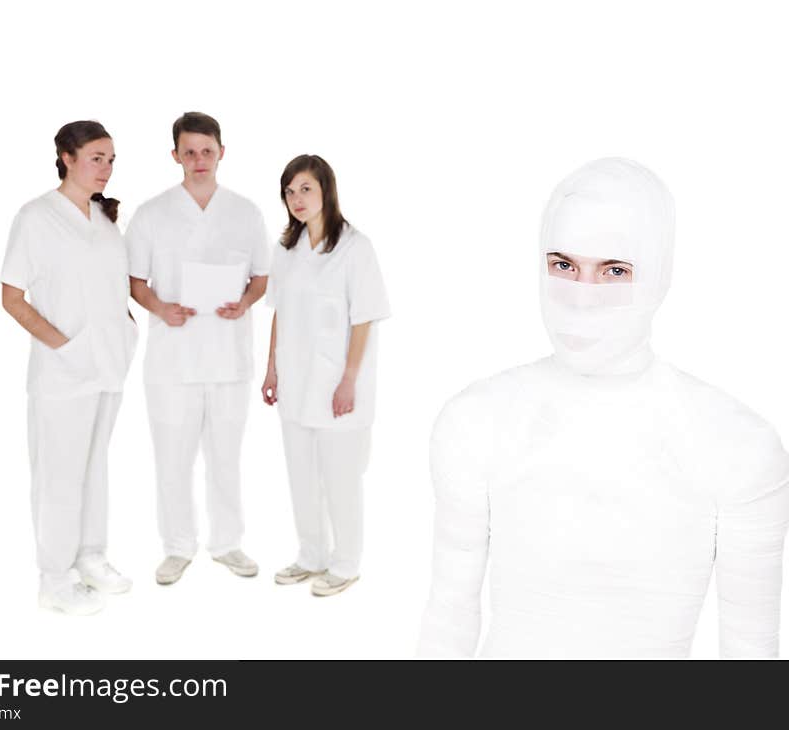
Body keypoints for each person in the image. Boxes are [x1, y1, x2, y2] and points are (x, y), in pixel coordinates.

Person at [417, 157, 789, 658]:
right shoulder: (476, 422)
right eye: (563, 265)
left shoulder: (736, 444)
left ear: (657, 274)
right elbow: (448, 620)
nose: (582, 299)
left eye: (614, 271)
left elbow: (750, 649)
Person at [126, 112, 270, 586]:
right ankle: (177, 547)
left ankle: (227, 544)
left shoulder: (245, 212)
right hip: (172, 361)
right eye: (188, 151)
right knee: (172, 457)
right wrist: (160, 307)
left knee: (226, 456)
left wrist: (245, 302)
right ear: (175, 156)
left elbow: (261, 276)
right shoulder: (151, 214)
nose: (198, 159)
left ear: (222, 153)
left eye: (207, 150)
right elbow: (135, 281)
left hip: (229, 359)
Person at [1, 120, 137, 616]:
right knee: (59, 475)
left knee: (94, 467)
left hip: (108, 368)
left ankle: (90, 557)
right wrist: (65, 346)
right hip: (63, 373)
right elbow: (12, 297)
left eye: (111, 160)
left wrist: (125, 329)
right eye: (96, 157)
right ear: (66, 156)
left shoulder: (103, 219)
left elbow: (111, 288)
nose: (105, 168)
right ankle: (54, 578)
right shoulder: (36, 217)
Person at [262, 155, 390, 597]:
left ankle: (345, 563)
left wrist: (349, 379)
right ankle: (311, 555)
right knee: (300, 475)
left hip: (337, 385)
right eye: (290, 191)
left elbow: (364, 318)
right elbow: (279, 310)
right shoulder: (285, 250)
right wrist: (271, 368)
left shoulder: (356, 248)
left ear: (326, 191)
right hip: (295, 383)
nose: (297, 199)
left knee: (340, 478)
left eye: (305, 189)